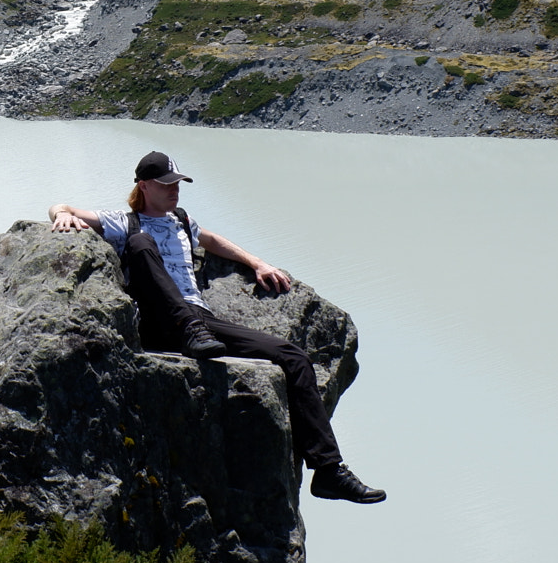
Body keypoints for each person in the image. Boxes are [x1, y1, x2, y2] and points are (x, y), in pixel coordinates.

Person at [49, 151, 386, 504]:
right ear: (144, 186)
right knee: (140, 244)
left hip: (200, 325)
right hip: (158, 321)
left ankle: (329, 472)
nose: (175, 191)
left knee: (293, 357)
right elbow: (61, 206)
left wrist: (257, 263)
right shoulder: (124, 222)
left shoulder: (182, 221)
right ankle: (189, 328)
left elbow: (211, 240)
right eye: (166, 185)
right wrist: (61, 217)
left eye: (178, 184)